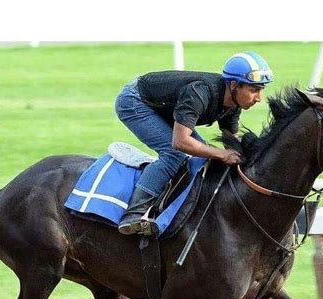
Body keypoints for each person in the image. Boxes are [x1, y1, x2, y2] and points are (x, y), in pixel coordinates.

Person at [115, 51, 273, 235]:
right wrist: (221, 154)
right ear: (234, 85)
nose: (259, 98)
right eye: (254, 90)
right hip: (135, 101)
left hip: (164, 106)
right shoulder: (199, 93)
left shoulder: (233, 104)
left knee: (203, 156)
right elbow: (181, 142)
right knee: (174, 154)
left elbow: (231, 141)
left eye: (261, 89)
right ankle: (133, 215)